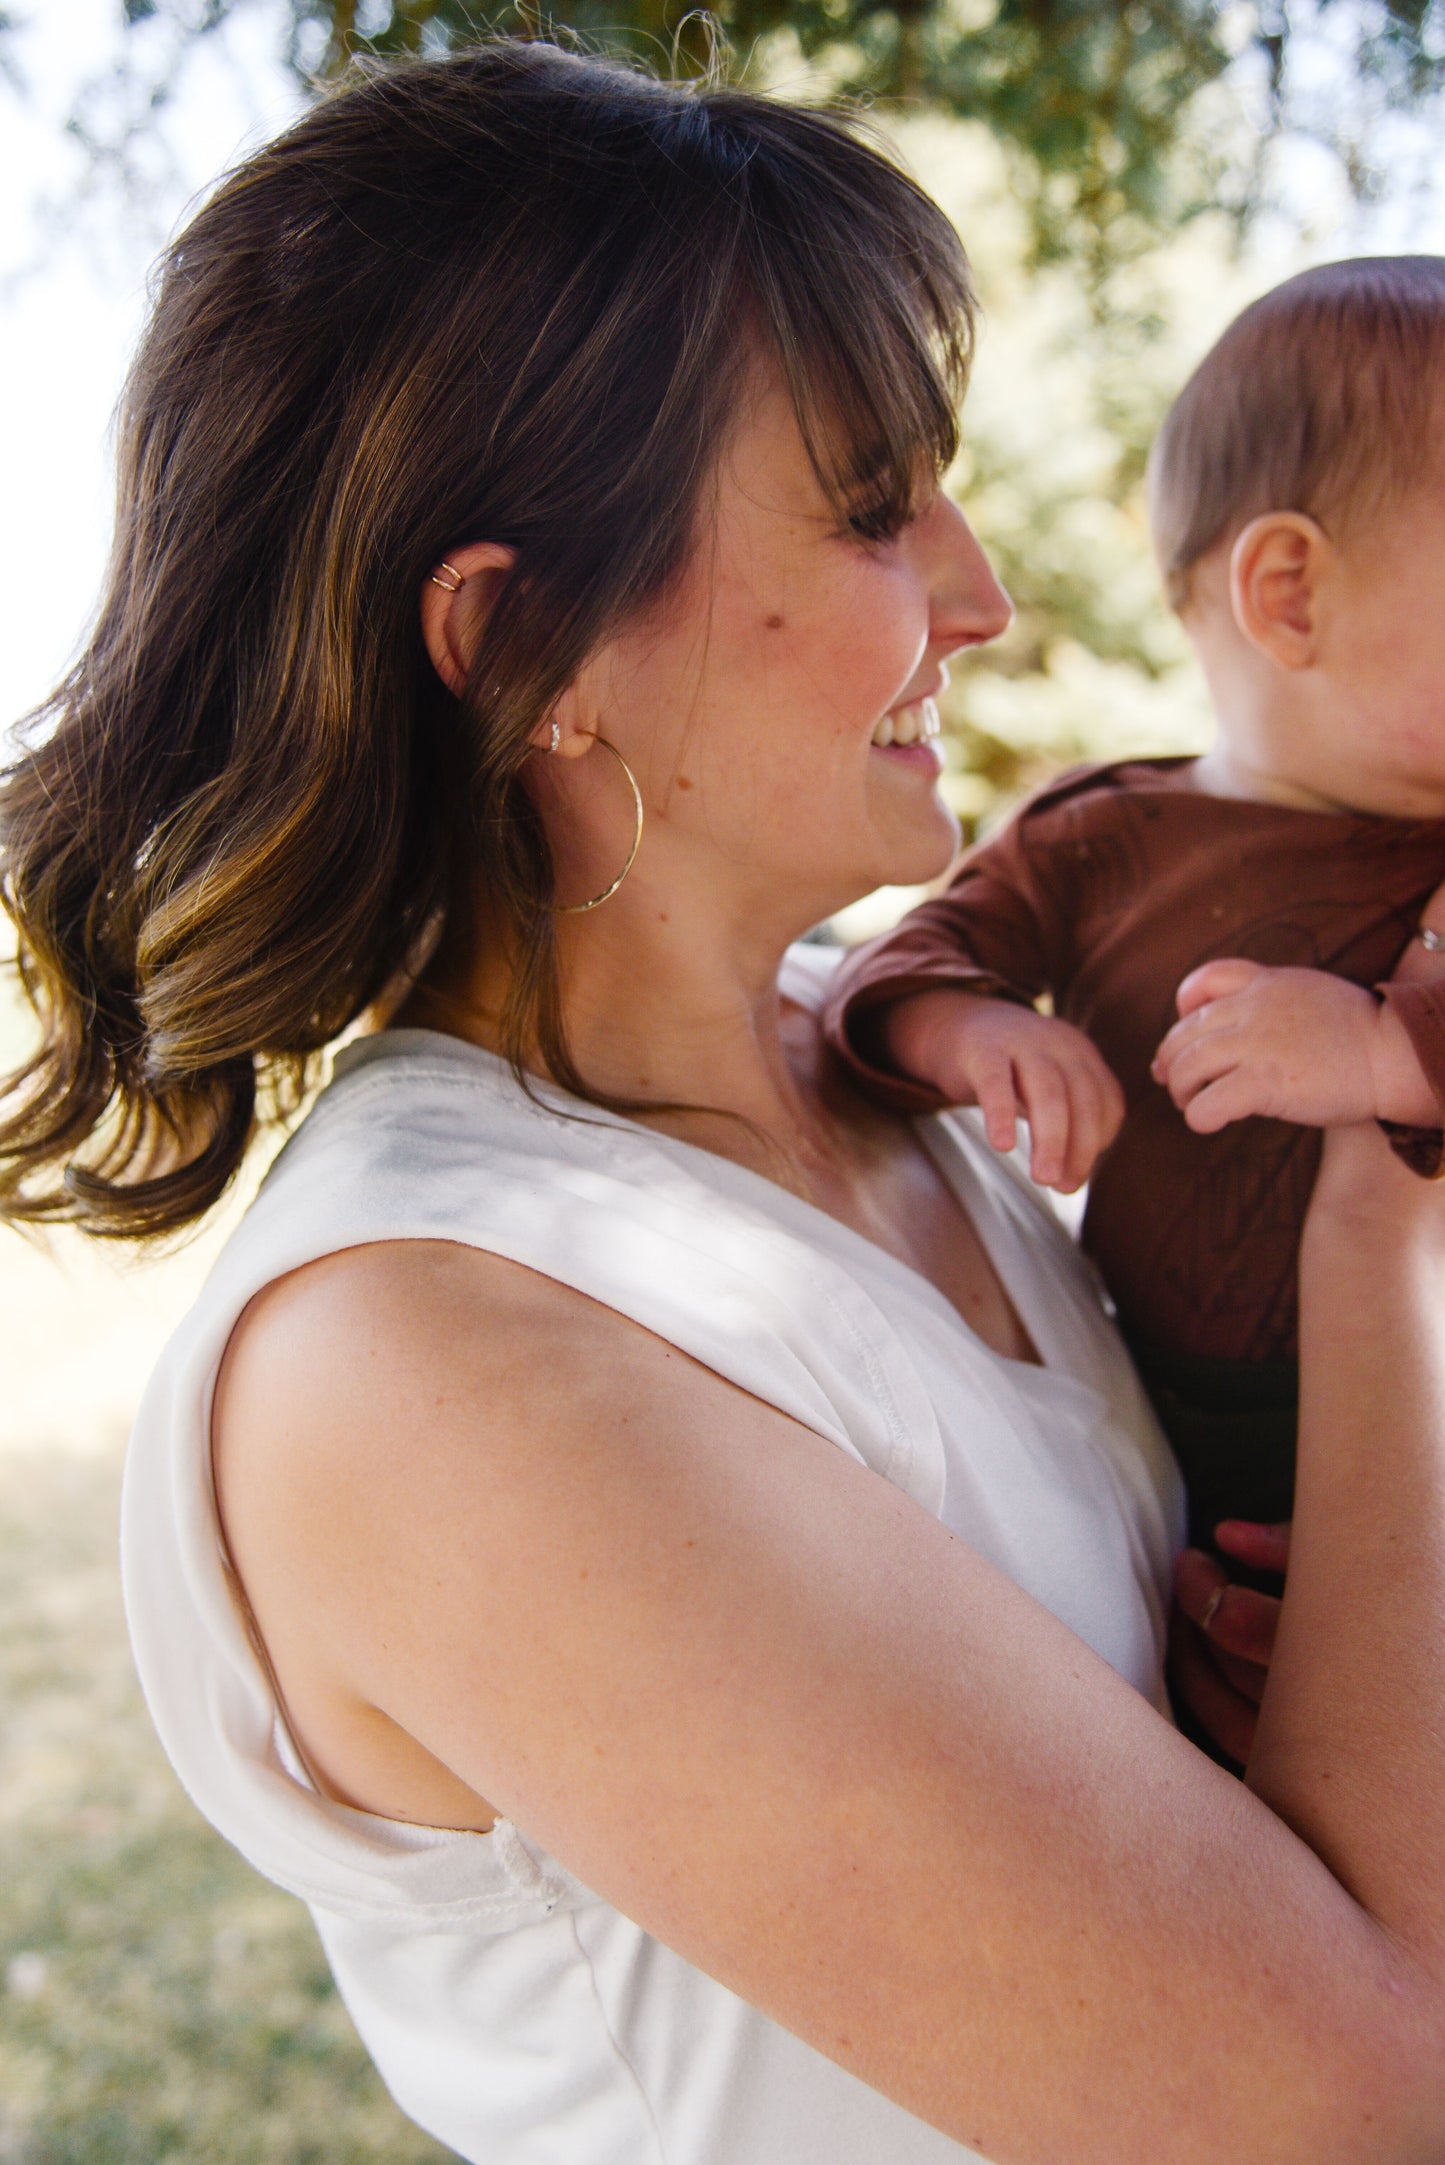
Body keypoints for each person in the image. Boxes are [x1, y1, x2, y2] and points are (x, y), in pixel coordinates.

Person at [4, 46, 1445, 2165]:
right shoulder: (437, 1360)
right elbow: (1360, 2105)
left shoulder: (895, 1084)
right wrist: (1384, 1177)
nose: (984, 593)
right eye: (872, 508)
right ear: (525, 649)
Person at [822, 257, 1445, 1615]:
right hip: (1168, 1451)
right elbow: (888, 980)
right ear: (1288, 591)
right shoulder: (1096, 835)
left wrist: (1386, 1051)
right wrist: (976, 1028)